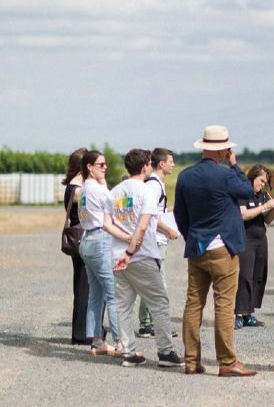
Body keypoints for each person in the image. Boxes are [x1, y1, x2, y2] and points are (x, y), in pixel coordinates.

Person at [174, 125, 257, 377]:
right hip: (223, 245)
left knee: (193, 303)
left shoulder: (185, 176)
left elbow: (180, 214)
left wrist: (190, 236)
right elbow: (248, 190)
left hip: (197, 246)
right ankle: (227, 361)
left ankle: (191, 360)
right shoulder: (226, 175)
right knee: (224, 304)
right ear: (223, 150)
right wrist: (235, 165)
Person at [106, 149, 184, 368]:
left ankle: (129, 353)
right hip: (142, 255)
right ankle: (165, 351)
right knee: (159, 302)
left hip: (117, 256)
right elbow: (143, 226)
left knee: (123, 306)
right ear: (145, 166)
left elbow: (106, 223)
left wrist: (124, 244)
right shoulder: (147, 191)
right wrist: (131, 250)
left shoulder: (115, 192)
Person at [76, 150, 121, 356]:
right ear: (89, 167)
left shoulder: (84, 188)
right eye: (101, 164)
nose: (105, 167)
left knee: (96, 294)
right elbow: (115, 207)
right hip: (100, 239)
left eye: (105, 164)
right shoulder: (97, 190)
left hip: (87, 239)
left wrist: (102, 182)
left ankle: (97, 341)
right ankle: (121, 342)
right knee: (113, 294)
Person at [137, 148, 180, 339]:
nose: (173, 164)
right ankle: (152, 325)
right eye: (170, 161)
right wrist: (168, 230)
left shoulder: (155, 184)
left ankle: (147, 324)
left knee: (152, 283)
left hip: (156, 239)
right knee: (158, 284)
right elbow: (151, 214)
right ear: (161, 164)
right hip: (155, 240)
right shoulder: (154, 186)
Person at [235, 164, 274, 329]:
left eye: (265, 183)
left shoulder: (262, 195)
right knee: (244, 276)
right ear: (253, 177)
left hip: (261, 239)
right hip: (246, 240)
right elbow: (243, 215)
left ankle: (248, 313)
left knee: (257, 275)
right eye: (261, 181)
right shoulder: (242, 194)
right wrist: (264, 207)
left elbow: (267, 220)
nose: (262, 185)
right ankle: (238, 314)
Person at [63, 148, 92, 345]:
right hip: (83, 238)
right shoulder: (77, 189)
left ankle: (82, 331)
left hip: (77, 238)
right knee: (84, 287)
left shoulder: (72, 186)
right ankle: (81, 333)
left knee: (82, 284)